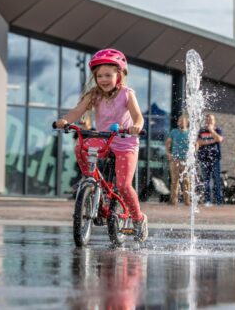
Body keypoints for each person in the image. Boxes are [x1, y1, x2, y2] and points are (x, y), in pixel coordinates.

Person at [54, 48, 148, 242]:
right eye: (99, 76)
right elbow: (77, 111)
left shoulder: (127, 94)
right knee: (80, 146)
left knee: (122, 185)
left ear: (119, 75)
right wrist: (65, 121)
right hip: (104, 138)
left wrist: (136, 126)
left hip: (125, 142)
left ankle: (139, 219)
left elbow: (138, 116)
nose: (103, 79)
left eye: (108, 75)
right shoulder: (93, 95)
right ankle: (91, 181)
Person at [197, 113, 225, 206]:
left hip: (215, 158)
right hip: (204, 159)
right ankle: (207, 200)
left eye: (211, 119)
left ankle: (218, 201)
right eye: (208, 119)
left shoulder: (218, 130)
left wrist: (211, 130)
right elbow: (198, 142)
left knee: (217, 180)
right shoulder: (201, 131)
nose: (209, 121)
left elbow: (220, 139)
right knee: (206, 181)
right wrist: (212, 141)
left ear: (214, 121)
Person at [165, 114, 191, 206]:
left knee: (186, 180)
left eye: (182, 120)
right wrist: (168, 153)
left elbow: (196, 144)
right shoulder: (174, 132)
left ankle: (187, 201)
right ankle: (173, 200)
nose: (180, 122)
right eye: (179, 120)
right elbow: (167, 143)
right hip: (175, 159)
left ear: (187, 122)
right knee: (174, 180)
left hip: (186, 160)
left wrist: (192, 155)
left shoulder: (190, 132)